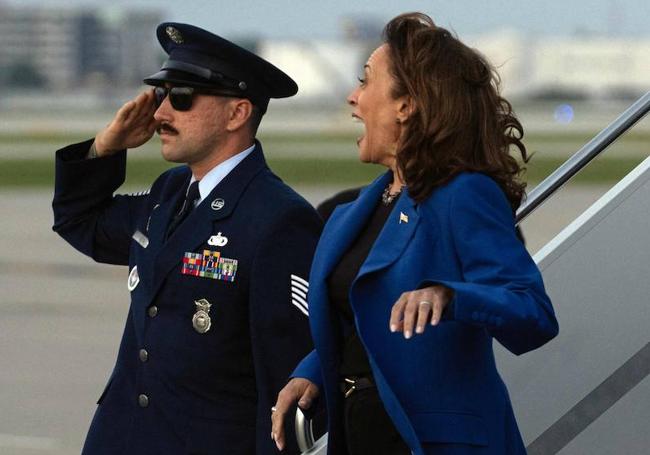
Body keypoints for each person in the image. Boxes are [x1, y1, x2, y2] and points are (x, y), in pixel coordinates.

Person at [271, 12, 558, 455]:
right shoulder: (358, 209)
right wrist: (312, 370)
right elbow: (363, 318)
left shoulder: (464, 194)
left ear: (407, 105)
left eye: (366, 82)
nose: (353, 97)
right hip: (364, 435)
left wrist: (450, 295)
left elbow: (533, 312)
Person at [52, 22, 321, 455]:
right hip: (123, 438)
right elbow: (79, 222)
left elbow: (284, 380)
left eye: (180, 99)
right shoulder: (168, 192)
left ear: (237, 113)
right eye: (161, 96)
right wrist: (105, 147)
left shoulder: (279, 219)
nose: (159, 114)